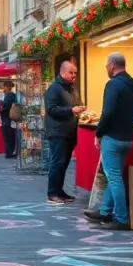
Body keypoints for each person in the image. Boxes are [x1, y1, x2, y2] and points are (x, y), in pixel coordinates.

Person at [86, 52, 133, 230]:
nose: (107, 69)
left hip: (112, 137)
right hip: (127, 137)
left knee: (114, 178)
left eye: (106, 66)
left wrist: (99, 133)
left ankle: (121, 219)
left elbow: (108, 111)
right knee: (114, 175)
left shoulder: (113, 85)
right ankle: (104, 211)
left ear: (111, 65)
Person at [45, 60, 84, 204]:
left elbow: (75, 105)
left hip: (69, 131)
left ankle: (59, 190)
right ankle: (52, 193)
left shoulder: (71, 88)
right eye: (71, 72)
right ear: (62, 73)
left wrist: (80, 109)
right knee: (57, 162)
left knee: (64, 163)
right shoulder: (54, 89)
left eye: (75, 73)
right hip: (58, 132)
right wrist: (71, 110)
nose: (74, 75)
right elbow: (51, 109)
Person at [0, 81, 18, 159]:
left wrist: (0, 108)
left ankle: (9, 153)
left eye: (3, 87)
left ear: (6, 87)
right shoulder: (13, 95)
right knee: (11, 137)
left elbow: (5, 107)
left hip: (7, 119)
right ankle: (11, 152)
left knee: (8, 137)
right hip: (11, 119)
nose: (3, 88)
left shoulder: (8, 96)